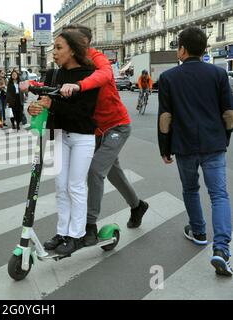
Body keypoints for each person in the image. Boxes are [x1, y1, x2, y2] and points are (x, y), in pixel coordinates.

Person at [50, 24, 149, 246]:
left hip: (116, 125)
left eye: (74, 42)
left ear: (85, 43)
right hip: (93, 130)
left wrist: (79, 86)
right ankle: (137, 205)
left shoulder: (97, 58)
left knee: (95, 172)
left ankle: (89, 225)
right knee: (114, 173)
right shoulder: (71, 65)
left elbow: (105, 74)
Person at [158, 27, 233, 276]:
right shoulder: (219, 74)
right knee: (219, 195)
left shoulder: (169, 77)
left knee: (190, 189)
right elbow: (229, 114)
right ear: (203, 49)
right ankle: (221, 249)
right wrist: (225, 138)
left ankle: (199, 232)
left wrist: (164, 147)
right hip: (214, 143)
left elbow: (165, 117)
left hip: (185, 145)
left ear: (182, 49)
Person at [27, 30, 99, 255]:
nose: (54, 52)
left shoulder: (90, 75)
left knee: (75, 186)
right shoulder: (54, 74)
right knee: (60, 187)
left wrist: (52, 105)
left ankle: (76, 235)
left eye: (59, 48)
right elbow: (43, 102)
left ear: (73, 49)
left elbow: (83, 112)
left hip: (82, 137)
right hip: (60, 135)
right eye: (53, 48)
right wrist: (34, 108)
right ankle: (62, 233)